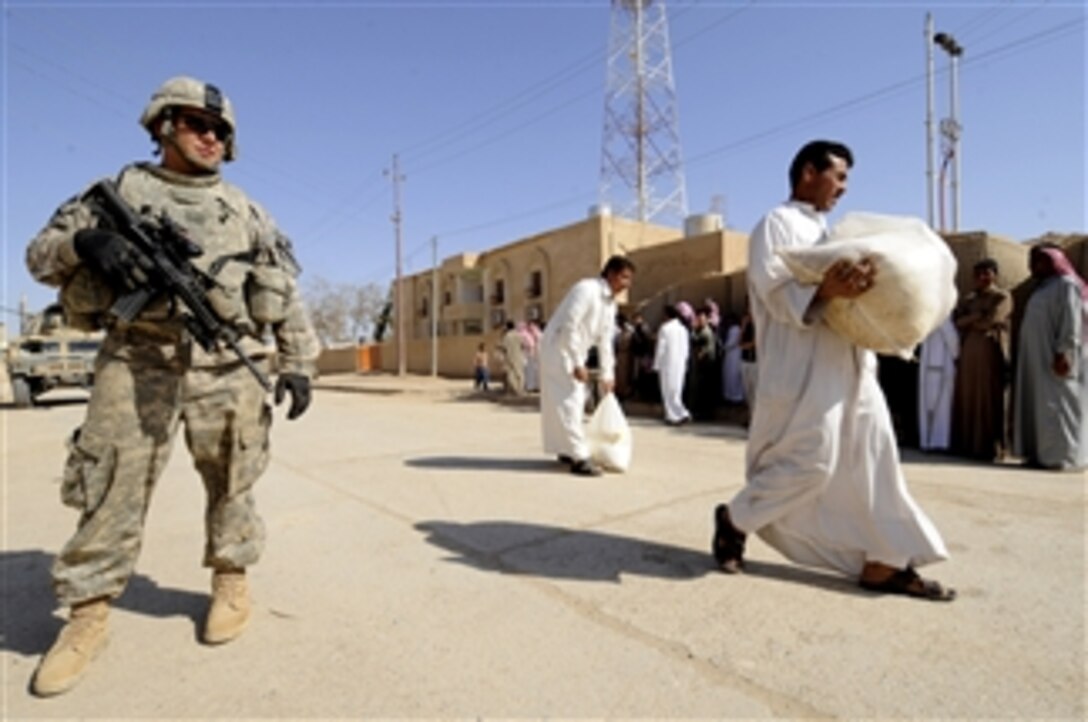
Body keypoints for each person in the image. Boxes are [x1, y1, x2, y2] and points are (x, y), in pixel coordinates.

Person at [24, 76, 320, 696]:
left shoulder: (246, 211)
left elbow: (284, 290)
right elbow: (38, 255)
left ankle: (231, 579)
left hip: (222, 361)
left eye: (220, 130)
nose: (210, 137)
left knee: (234, 475)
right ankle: (87, 615)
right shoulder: (117, 193)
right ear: (162, 126)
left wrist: (299, 360)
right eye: (195, 124)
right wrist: (85, 242)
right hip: (136, 359)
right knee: (108, 485)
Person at [711, 140, 954, 601]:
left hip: (854, 365)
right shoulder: (776, 224)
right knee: (811, 462)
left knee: (875, 459)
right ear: (808, 172)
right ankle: (734, 519)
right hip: (803, 369)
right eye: (838, 176)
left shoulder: (833, 232)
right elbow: (773, 291)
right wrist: (824, 290)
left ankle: (885, 560)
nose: (843, 188)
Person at [539, 256, 635, 476]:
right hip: (558, 348)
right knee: (569, 401)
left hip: (573, 351)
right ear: (610, 274)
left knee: (573, 400)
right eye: (624, 277)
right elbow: (569, 326)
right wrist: (576, 362)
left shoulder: (610, 304)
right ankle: (579, 457)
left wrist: (608, 374)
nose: (627, 284)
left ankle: (566, 448)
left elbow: (605, 340)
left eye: (630, 279)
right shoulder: (586, 289)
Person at [1013, 244, 1087, 470]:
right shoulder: (1043, 289)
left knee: (1059, 407)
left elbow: (1071, 322)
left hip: (1057, 359)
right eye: (1031, 261)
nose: (1032, 266)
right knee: (1041, 407)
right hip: (1037, 361)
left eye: (1038, 261)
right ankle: (1040, 454)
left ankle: (1061, 457)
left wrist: (1064, 352)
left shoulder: (1066, 286)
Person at [950, 259, 1012, 460]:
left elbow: (991, 321)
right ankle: (968, 445)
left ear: (995, 275)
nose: (981, 279)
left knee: (987, 398)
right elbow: (958, 322)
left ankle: (989, 448)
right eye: (978, 275)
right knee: (968, 397)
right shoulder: (969, 299)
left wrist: (974, 319)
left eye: (986, 274)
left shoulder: (1002, 296)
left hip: (989, 351)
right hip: (968, 354)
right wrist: (976, 315)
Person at [918, 315, 960, 451]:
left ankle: (928, 440)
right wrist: (957, 356)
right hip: (940, 366)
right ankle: (938, 441)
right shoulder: (943, 319)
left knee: (929, 407)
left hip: (930, 366)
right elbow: (953, 342)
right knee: (940, 406)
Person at [653, 304, 691, 425]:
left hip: (668, 363)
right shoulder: (683, 329)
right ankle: (680, 413)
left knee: (668, 390)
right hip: (680, 363)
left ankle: (674, 415)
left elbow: (661, 348)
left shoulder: (665, 328)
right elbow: (686, 349)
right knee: (677, 390)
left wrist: (656, 364)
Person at [689, 306, 719, 421]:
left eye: (702, 318)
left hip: (706, 366)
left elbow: (696, 343)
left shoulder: (705, 332)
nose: (699, 320)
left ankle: (705, 414)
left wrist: (692, 329)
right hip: (704, 367)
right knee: (703, 391)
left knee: (704, 391)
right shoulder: (703, 330)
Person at [720, 312, 745, 405]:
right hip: (732, 354)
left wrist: (723, 347)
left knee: (732, 375)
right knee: (730, 375)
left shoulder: (734, 329)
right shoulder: (736, 329)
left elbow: (731, 343)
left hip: (733, 354)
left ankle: (734, 396)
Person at [500, 320, 526, 396]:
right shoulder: (519, 335)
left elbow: (504, 347)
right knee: (519, 373)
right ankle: (520, 390)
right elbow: (523, 346)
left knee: (510, 374)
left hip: (510, 357)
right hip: (519, 356)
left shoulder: (507, 336)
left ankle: (512, 391)